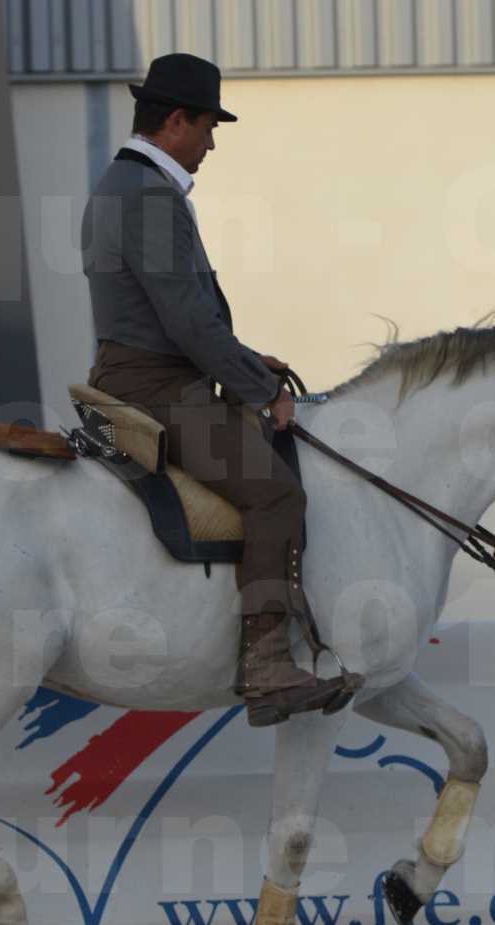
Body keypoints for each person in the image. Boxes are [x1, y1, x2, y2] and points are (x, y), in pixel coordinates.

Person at [80, 52, 342, 727]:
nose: (211, 142)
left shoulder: (116, 185)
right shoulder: (150, 198)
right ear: (175, 121)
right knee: (276, 490)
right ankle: (267, 665)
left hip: (146, 366)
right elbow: (187, 320)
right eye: (207, 126)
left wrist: (246, 357)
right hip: (156, 386)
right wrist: (260, 388)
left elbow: (168, 314)